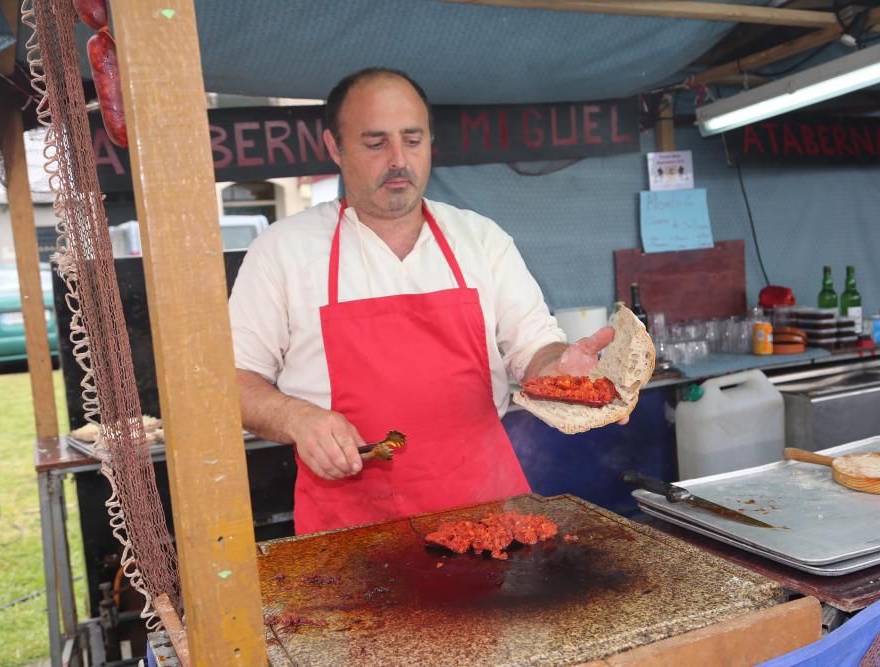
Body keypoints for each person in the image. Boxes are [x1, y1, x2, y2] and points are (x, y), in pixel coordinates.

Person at [229, 67, 616, 534]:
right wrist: (294, 417)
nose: (398, 160)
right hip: (350, 533)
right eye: (375, 143)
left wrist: (558, 368)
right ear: (334, 147)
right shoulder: (284, 251)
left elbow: (534, 348)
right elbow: (234, 383)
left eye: (412, 140)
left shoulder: (480, 240)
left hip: (485, 516)